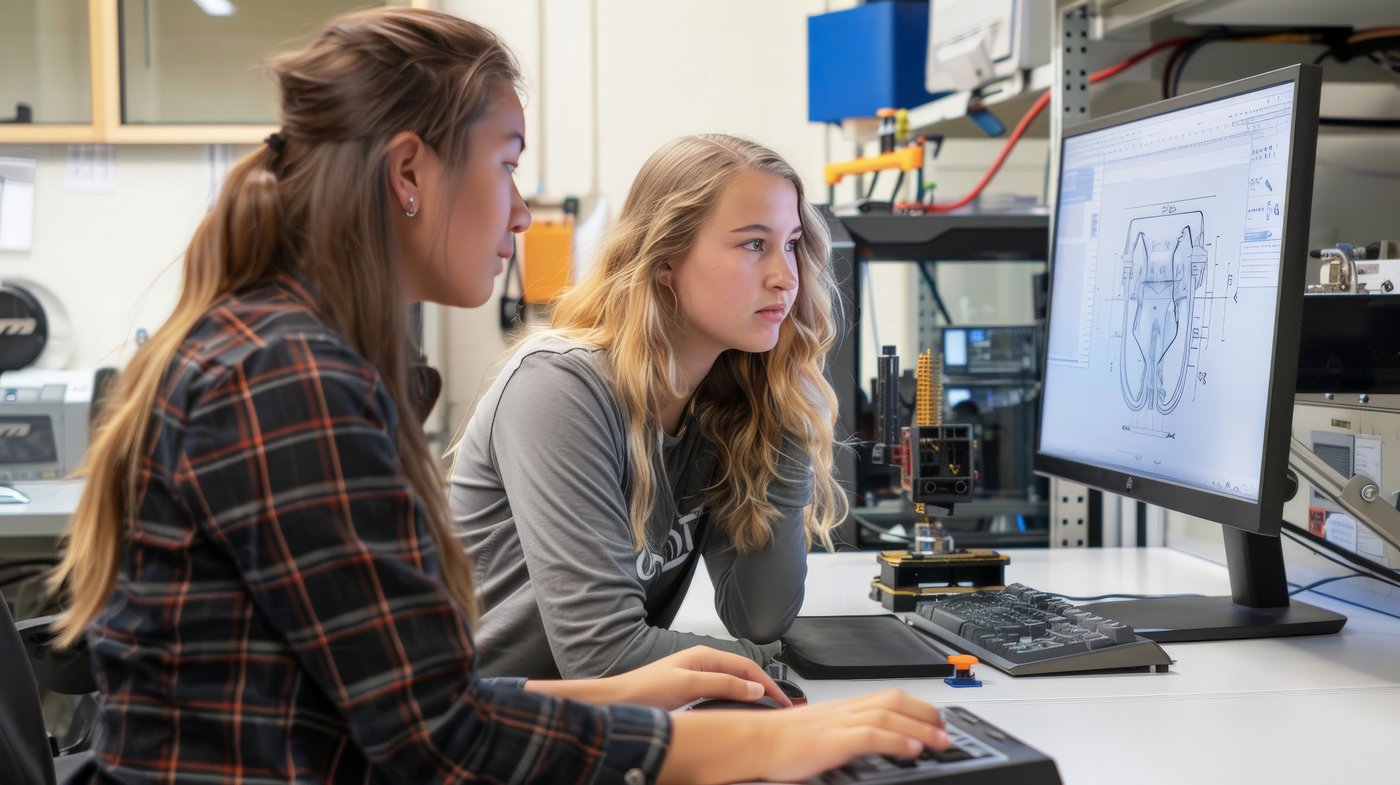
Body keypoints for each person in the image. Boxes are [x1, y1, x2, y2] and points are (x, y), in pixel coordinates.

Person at [46, 8, 947, 784]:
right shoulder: (290, 382)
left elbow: (418, 704)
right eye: (507, 164)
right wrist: (756, 740)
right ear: (409, 175)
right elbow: (438, 741)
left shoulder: (300, 355)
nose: (521, 213)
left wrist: (638, 693)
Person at [449, 133, 846, 680]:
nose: (786, 275)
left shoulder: (724, 405)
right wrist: (776, 670)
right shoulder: (560, 388)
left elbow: (759, 615)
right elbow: (604, 657)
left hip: (594, 729)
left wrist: (790, 420)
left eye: (791, 243)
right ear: (664, 261)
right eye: (754, 244)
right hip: (475, 737)